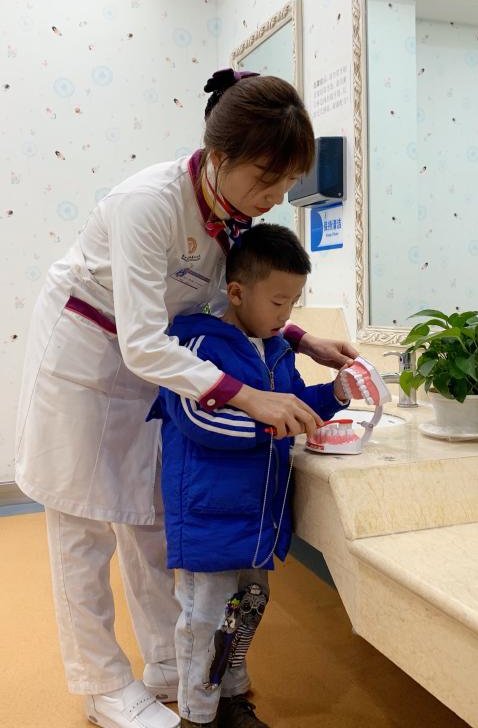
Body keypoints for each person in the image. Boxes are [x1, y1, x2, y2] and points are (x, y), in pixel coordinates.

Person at [14, 69, 359, 728]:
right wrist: (249, 398)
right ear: (218, 156)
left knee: (150, 515)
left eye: (288, 183)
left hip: (158, 364)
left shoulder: (233, 214)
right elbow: (143, 342)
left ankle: (170, 663)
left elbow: (222, 300)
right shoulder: (147, 204)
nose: (274, 197)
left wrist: (300, 337)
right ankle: (102, 684)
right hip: (85, 354)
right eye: (266, 179)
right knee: (82, 527)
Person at [149, 223, 354, 728]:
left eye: (294, 303)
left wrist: (335, 394)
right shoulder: (198, 346)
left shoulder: (275, 348)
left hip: (256, 516)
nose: (286, 316)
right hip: (209, 515)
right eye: (278, 302)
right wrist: (272, 424)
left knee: (243, 613)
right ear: (237, 293)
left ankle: (232, 699)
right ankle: (198, 716)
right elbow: (198, 420)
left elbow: (294, 401)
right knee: (204, 622)